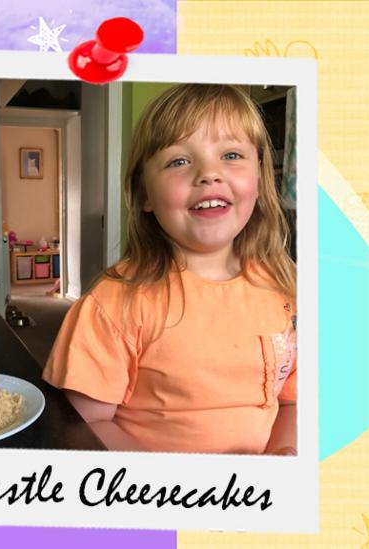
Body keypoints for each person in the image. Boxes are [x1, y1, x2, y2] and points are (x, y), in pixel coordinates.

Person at [43, 84, 297, 455]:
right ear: (144, 194)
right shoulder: (114, 303)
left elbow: (291, 400)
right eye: (179, 161)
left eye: (231, 154)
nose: (209, 174)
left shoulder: (282, 287)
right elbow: (87, 424)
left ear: (259, 180)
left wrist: (283, 454)